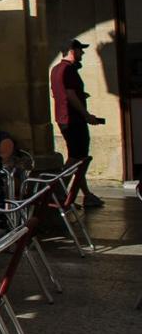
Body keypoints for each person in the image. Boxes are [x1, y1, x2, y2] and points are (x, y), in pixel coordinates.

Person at [50, 38, 106, 207]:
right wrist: (86, 114)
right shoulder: (68, 70)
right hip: (73, 119)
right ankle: (59, 194)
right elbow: (70, 94)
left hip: (64, 118)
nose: (82, 53)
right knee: (77, 159)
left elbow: (58, 93)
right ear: (72, 51)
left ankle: (85, 194)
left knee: (77, 158)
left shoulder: (56, 69)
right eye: (80, 50)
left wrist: (82, 97)